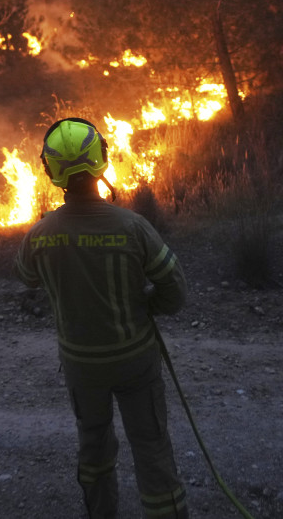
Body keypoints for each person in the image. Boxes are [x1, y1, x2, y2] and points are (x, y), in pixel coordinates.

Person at [14, 117, 189, 519]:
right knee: (151, 447)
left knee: (93, 447)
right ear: (102, 162)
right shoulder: (133, 227)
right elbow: (175, 293)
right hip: (135, 360)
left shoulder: (41, 234)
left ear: (49, 171)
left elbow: (24, 276)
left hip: (81, 366)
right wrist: (148, 306)